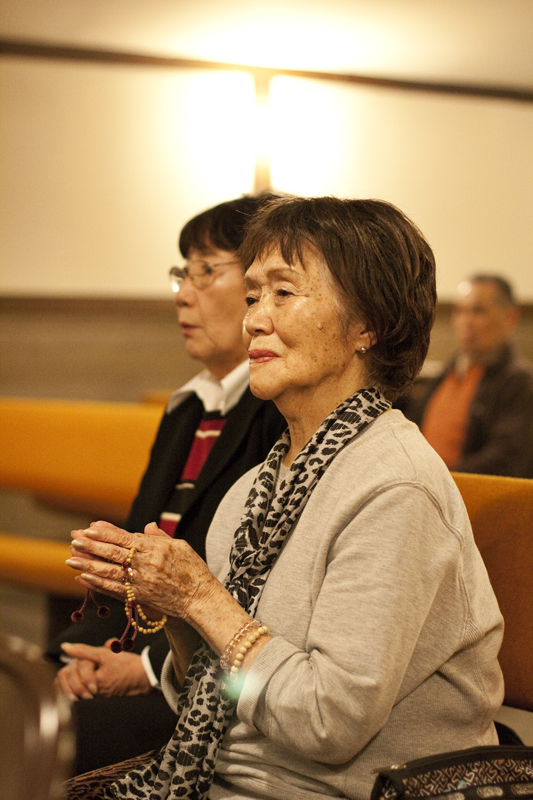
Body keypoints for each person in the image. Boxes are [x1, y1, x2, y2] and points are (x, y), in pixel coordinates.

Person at [64, 197, 504, 800]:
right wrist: (173, 607)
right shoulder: (256, 487)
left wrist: (202, 597)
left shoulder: (395, 487)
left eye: (283, 294)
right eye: (251, 297)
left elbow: (327, 723)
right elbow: (220, 689)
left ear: (367, 324)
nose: (254, 320)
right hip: (232, 776)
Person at [46, 195, 286, 773]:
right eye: (183, 271)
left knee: (42, 736)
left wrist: (148, 667)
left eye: (207, 270)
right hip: (143, 654)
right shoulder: (189, 407)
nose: (183, 292)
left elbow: (258, 585)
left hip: (211, 683)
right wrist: (83, 656)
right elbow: (129, 549)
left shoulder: (279, 414)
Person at [403, 274, 533, 478]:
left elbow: (506, 461)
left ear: (510, 317)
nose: (466, 321)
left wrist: (436, 477)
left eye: (478, 311)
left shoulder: (520, 382)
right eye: (460, 311)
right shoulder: (449, 372)